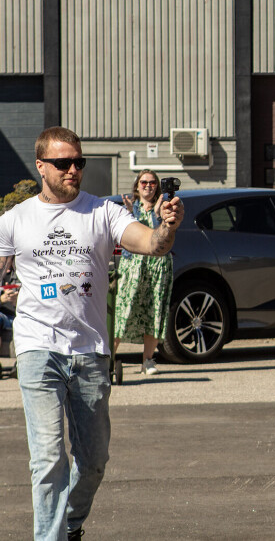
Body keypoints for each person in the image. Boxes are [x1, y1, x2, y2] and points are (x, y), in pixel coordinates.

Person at [0, 126, 184, 540]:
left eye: (78, 163)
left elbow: (151, 243)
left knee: (94, 459)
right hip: (37, 347)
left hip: (90, 351)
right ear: (41, 166)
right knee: (47, 459)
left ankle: (70, 524)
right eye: (63, 163)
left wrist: (166, 228)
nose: (72, 170)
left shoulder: (104, 212)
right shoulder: (15, 220)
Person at [113, 169, 174, 375]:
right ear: (137, 186)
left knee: (154, 312)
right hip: (133, 268)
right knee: (123, 310)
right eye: (144, 182)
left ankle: (147, 360)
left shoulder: (164, 207)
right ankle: (109, 359)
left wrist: (158, 214)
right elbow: (127, 234)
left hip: (158, 268)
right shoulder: (129, 208)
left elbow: (165, 234)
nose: (148, 186)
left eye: (152, 183)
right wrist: (131, 214)